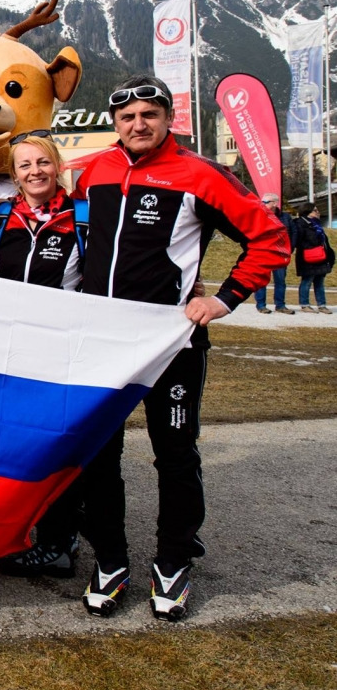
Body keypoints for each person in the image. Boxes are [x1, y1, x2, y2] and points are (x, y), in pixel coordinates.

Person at [73, 75, 289, 622]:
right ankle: (110, 559)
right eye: (127, 117)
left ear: (169, 118)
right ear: (115, 123)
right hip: (103, 341)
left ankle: (172, 559)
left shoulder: (200, 174)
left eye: (150, 114)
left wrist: (224, 298)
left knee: (174, 453)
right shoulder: (95, 171)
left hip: (171, 341)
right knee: (98, 454)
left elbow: (271, 239)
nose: (138, 124)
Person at [0, 133, 87, 578]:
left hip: (60, 351)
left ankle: (59, 541)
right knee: (17, 445)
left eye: (42, 162)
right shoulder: (0, 216)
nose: (35, 172)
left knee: (56, 446)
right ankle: (22, 531)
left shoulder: (82, 217)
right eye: (25, 165)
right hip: (10, 350)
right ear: (13, 174)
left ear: (57, 165)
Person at [254, 193, 296, 313]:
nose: (263, 204)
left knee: (280, 281)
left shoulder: (285, 217)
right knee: (261, 280)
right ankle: (261, 305)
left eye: (266, 202)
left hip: (280, 254)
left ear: (275, 203)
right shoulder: (259, 215)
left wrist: (290, 249)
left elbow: (293, 233)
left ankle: (280, 305)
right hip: (264, 252)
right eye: (262, 202)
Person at [295, 202, 333, 314]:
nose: (318, 212)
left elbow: (324, 241)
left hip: (321, 257)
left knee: (319, 282)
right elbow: (298, 240)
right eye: (315, 210)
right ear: (307, 212)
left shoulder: (317, 224)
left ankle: (322, 305)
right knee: (307, 281)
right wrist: (311, 246)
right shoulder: (300, 223)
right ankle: (304, 304)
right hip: (308, 257)